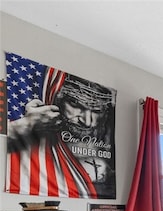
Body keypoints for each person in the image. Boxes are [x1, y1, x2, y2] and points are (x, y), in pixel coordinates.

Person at [6, 64, 116, 198]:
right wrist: (25, 125)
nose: (87, 122)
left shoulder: (105, 138)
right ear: (57, 99)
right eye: (76, 105)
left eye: (97, 110)